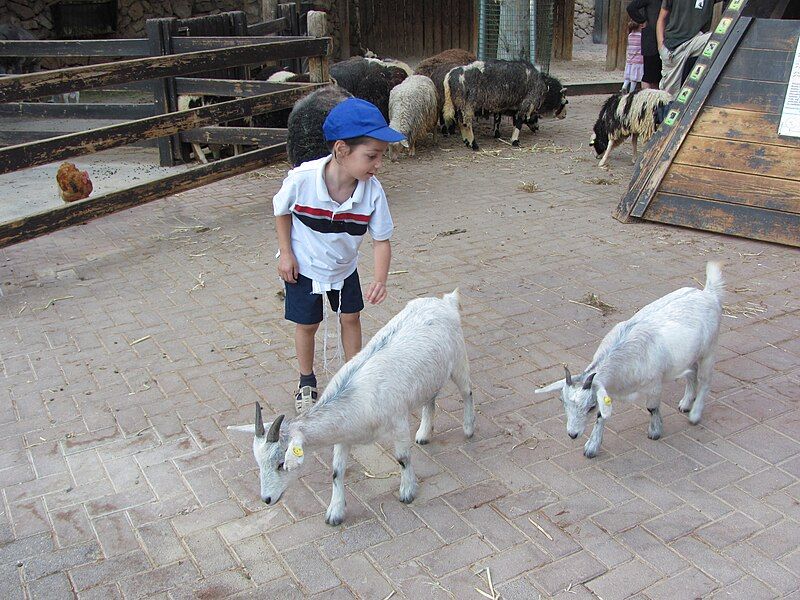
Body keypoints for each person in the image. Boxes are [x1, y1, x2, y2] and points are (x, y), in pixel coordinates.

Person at [273, 98, 404, 413]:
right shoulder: (302, 179)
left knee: (351, 317)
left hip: (344, 268)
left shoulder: (372, 191)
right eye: (371, 156)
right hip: (304, 266)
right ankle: (307, 382)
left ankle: (354, 378)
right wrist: (286, 254)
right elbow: (280, 210)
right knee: (307, 324)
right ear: (342, 150)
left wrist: (380, 279)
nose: (378, 165)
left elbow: (382, 240)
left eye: (381, 156)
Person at [657, 0, 723, 97]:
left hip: (696, 40)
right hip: (674, 47)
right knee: (668, 97)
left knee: (720, 38)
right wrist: (661, 46)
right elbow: (661, 18)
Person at [626, 0, 663, 89]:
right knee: (649, 77)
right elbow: (631, 8)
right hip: (650, 41)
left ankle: (655, 100)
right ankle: (645, 100)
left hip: (662, 40)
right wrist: (642, 21)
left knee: (658, 77)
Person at [622, 20, 645, 93]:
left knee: (628, 76)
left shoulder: (630, 36)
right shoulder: (641, 37)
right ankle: (631, 91)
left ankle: (624, 86)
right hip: (638, 60)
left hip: (630, 59)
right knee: (634, 78)